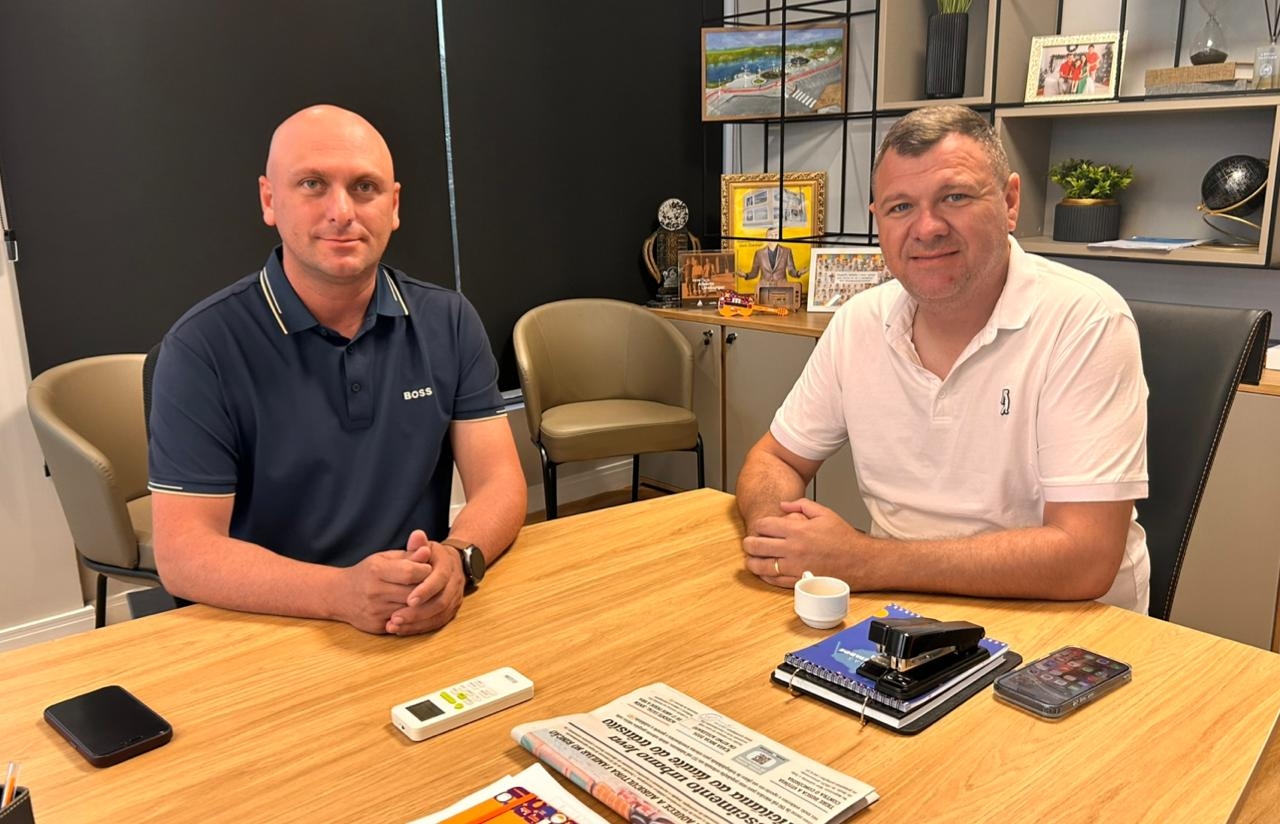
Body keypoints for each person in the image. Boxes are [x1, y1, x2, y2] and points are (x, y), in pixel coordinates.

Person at [736, 105, 1151, 613]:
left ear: (1010, 202)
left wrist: (863, 560)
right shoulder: (859, 321)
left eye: (954, 197)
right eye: (900, 207)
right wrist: (777, 535)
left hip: (1064, 622)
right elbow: (775, 459)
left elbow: (1085, 557)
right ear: (878, 220)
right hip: (898, 607)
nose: (927, 228)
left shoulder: (1085, 319)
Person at [148, 105, 527, 635]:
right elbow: (185, 553)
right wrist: (339, 594)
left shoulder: (449, 320)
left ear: (394, 206)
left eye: (365, 187)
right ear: (269, 200)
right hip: (269, 627)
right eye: (312, 184)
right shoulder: (201, 348)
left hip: (418, 616)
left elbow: (499, 481)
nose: (342, 211)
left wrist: (459, 557)